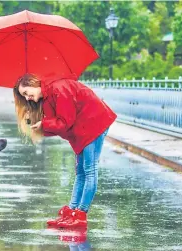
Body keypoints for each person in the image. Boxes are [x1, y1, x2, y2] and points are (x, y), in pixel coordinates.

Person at [13, 72, 117, 228]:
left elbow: (64, 122)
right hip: (82, 129)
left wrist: (44, 123)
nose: (27, 98)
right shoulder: (47, 98)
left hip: (94, 123)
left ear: (34, 83)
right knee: (80, 172)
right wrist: (40, 124)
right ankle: (72, 211)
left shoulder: (59, 89)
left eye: (27, 93)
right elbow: (59, 128)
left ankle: (80, 215)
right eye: (24, 96)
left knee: (89, 170)